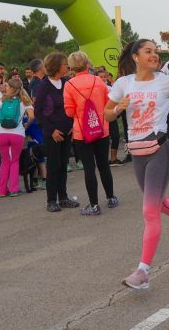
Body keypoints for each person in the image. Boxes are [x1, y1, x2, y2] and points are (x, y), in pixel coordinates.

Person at [106, 39, 169, 290]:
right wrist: (119, 108)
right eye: (148, 51)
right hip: (138, 152)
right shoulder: (123, 84)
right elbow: (106, 113)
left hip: (160, 148)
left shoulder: (166, 81)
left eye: (155, 51)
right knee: (158, 204)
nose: (154, 55)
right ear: (136, 57)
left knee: (149, 211)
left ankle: (143, 272)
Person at [64, 51, 118, 215]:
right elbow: (108, 102)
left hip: (82, 132)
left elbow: (69, 111)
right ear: (87, 63)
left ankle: (94, 205)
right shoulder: (98, 81)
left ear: (72, 66)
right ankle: (110, 198)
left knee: (89, 168)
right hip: (101, 129)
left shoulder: (69, 85)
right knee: (104, 165)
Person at [34, 52, 80, 212]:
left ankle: (64, 197)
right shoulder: (43, 87)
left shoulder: (67, 83)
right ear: (56, 66)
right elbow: (38, 112)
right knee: (54, 166)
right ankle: (51, 200)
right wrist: (51, 130)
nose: (67, 66)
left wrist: (73, 126)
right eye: (64, 64)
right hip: (52, 133)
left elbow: (72, 105)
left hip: (67, 131)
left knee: (63, 165)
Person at [0, 77, 34, 198]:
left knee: (4, 161)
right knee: (14, 161)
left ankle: (1, 190)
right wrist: (25, 126)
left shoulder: (2, 99)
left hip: (1, 133)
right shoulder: (25, 100)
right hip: (17, 133)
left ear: (10, 87)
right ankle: (14, 188)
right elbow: (32, 117)